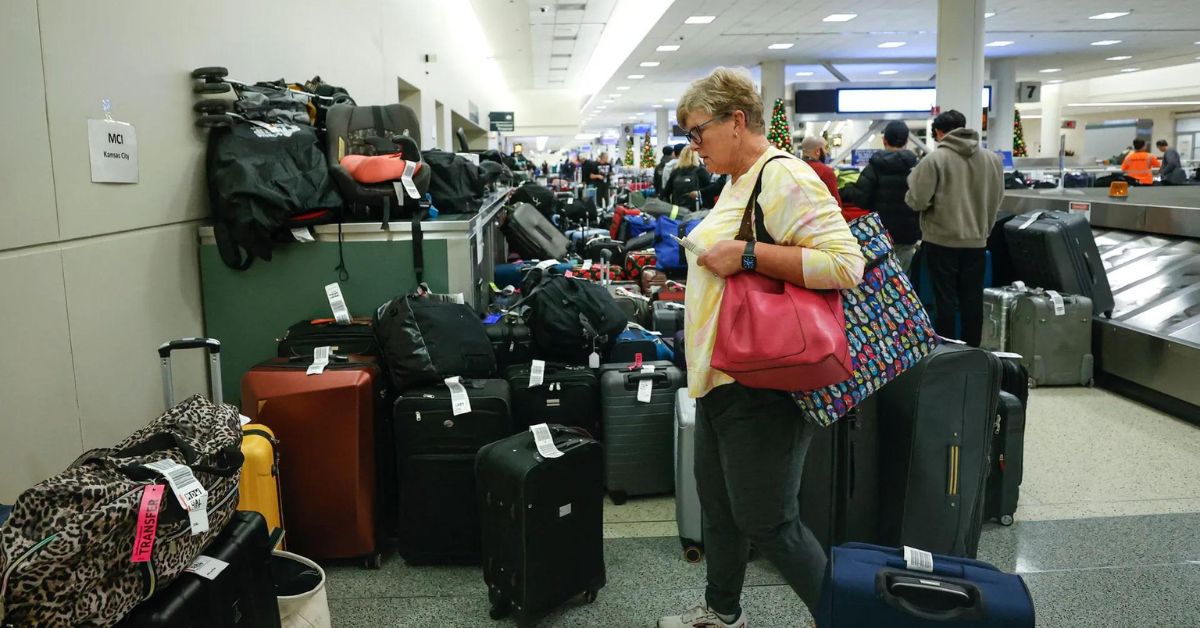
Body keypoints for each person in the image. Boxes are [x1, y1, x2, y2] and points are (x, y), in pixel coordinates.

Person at [659, 66, 866, 628]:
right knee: (721, 508)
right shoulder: (737, 180)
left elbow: (846, 265)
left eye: (697, 133)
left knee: (770, 520)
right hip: (719, 376)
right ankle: (722, 613)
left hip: (763, 381)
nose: (692, 146)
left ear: (737, 120)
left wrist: (747, 255)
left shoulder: (784, 177)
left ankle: (842, 617)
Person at [904, 109, 1004, 348]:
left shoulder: (935, 160)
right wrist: (983, 229)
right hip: (977, 242)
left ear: (939, 132)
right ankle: (973, 351)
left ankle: (947, 351)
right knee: (972, 299)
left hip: (941, 241)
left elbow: (916, 200)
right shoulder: (992, 159)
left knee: (944, 300)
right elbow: (997, 199)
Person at [842, 121, 921, 272]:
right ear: (906, 141)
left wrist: (847, 190)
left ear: (884, 140)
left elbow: (861, 199)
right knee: (903, 276)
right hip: (908, 232)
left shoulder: (875, 166)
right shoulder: (917, 166)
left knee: (881, 276)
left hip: (881, 231)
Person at [799, 136, 843, 207]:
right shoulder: (826, 172)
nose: (826, 152)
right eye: (825, 148)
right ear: (817, 151)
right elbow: (836, 204)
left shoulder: (795, 168)